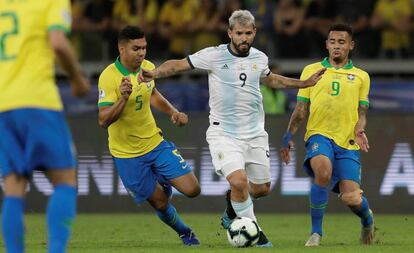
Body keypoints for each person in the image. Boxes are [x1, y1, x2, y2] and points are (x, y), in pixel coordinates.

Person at [141, 10, 325, 247]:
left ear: (254, 32)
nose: (243, 38)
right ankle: (256, 235)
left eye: (248, 33)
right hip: (223, 133)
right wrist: (155, 72)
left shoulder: (259, 58)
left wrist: (304, 83)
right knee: (238, 182)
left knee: (260, 189)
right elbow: (179, 64)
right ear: (230, 33)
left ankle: (231, 211)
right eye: (239, 33)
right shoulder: (213, 55)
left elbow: (271, 80)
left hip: (255, 133)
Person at [97, 26, 201, 246]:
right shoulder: (109, 77)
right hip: (127, 155)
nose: (142, 53)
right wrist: (123, 99)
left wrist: (173, 111)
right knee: (161, 204)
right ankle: (185, 232)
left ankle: (161, 179)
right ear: (122, 48)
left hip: (155, 143)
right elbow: (103, 120)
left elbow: (152, 94)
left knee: (193, 189)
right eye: (136, 48)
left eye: (144, 47)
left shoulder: (148, 68)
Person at [0, 0, 91, 252]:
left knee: (14, 186)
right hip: (37, 101)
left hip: (3, 105)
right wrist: (77, 79)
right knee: (65, 180)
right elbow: (58, 43)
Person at [280, 23, 374, 247]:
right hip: (319, 135)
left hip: (348, 142)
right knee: (322, 171)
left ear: (351, 45)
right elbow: (301, 109)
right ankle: (316, 234)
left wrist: (360, 128)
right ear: (326, 45)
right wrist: (287, 136)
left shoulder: (361, 76)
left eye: (341, 42)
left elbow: (362, 113)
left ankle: (367, 219)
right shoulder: (311, 71)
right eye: (332, 42)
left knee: (351, 198)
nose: (336, 46)